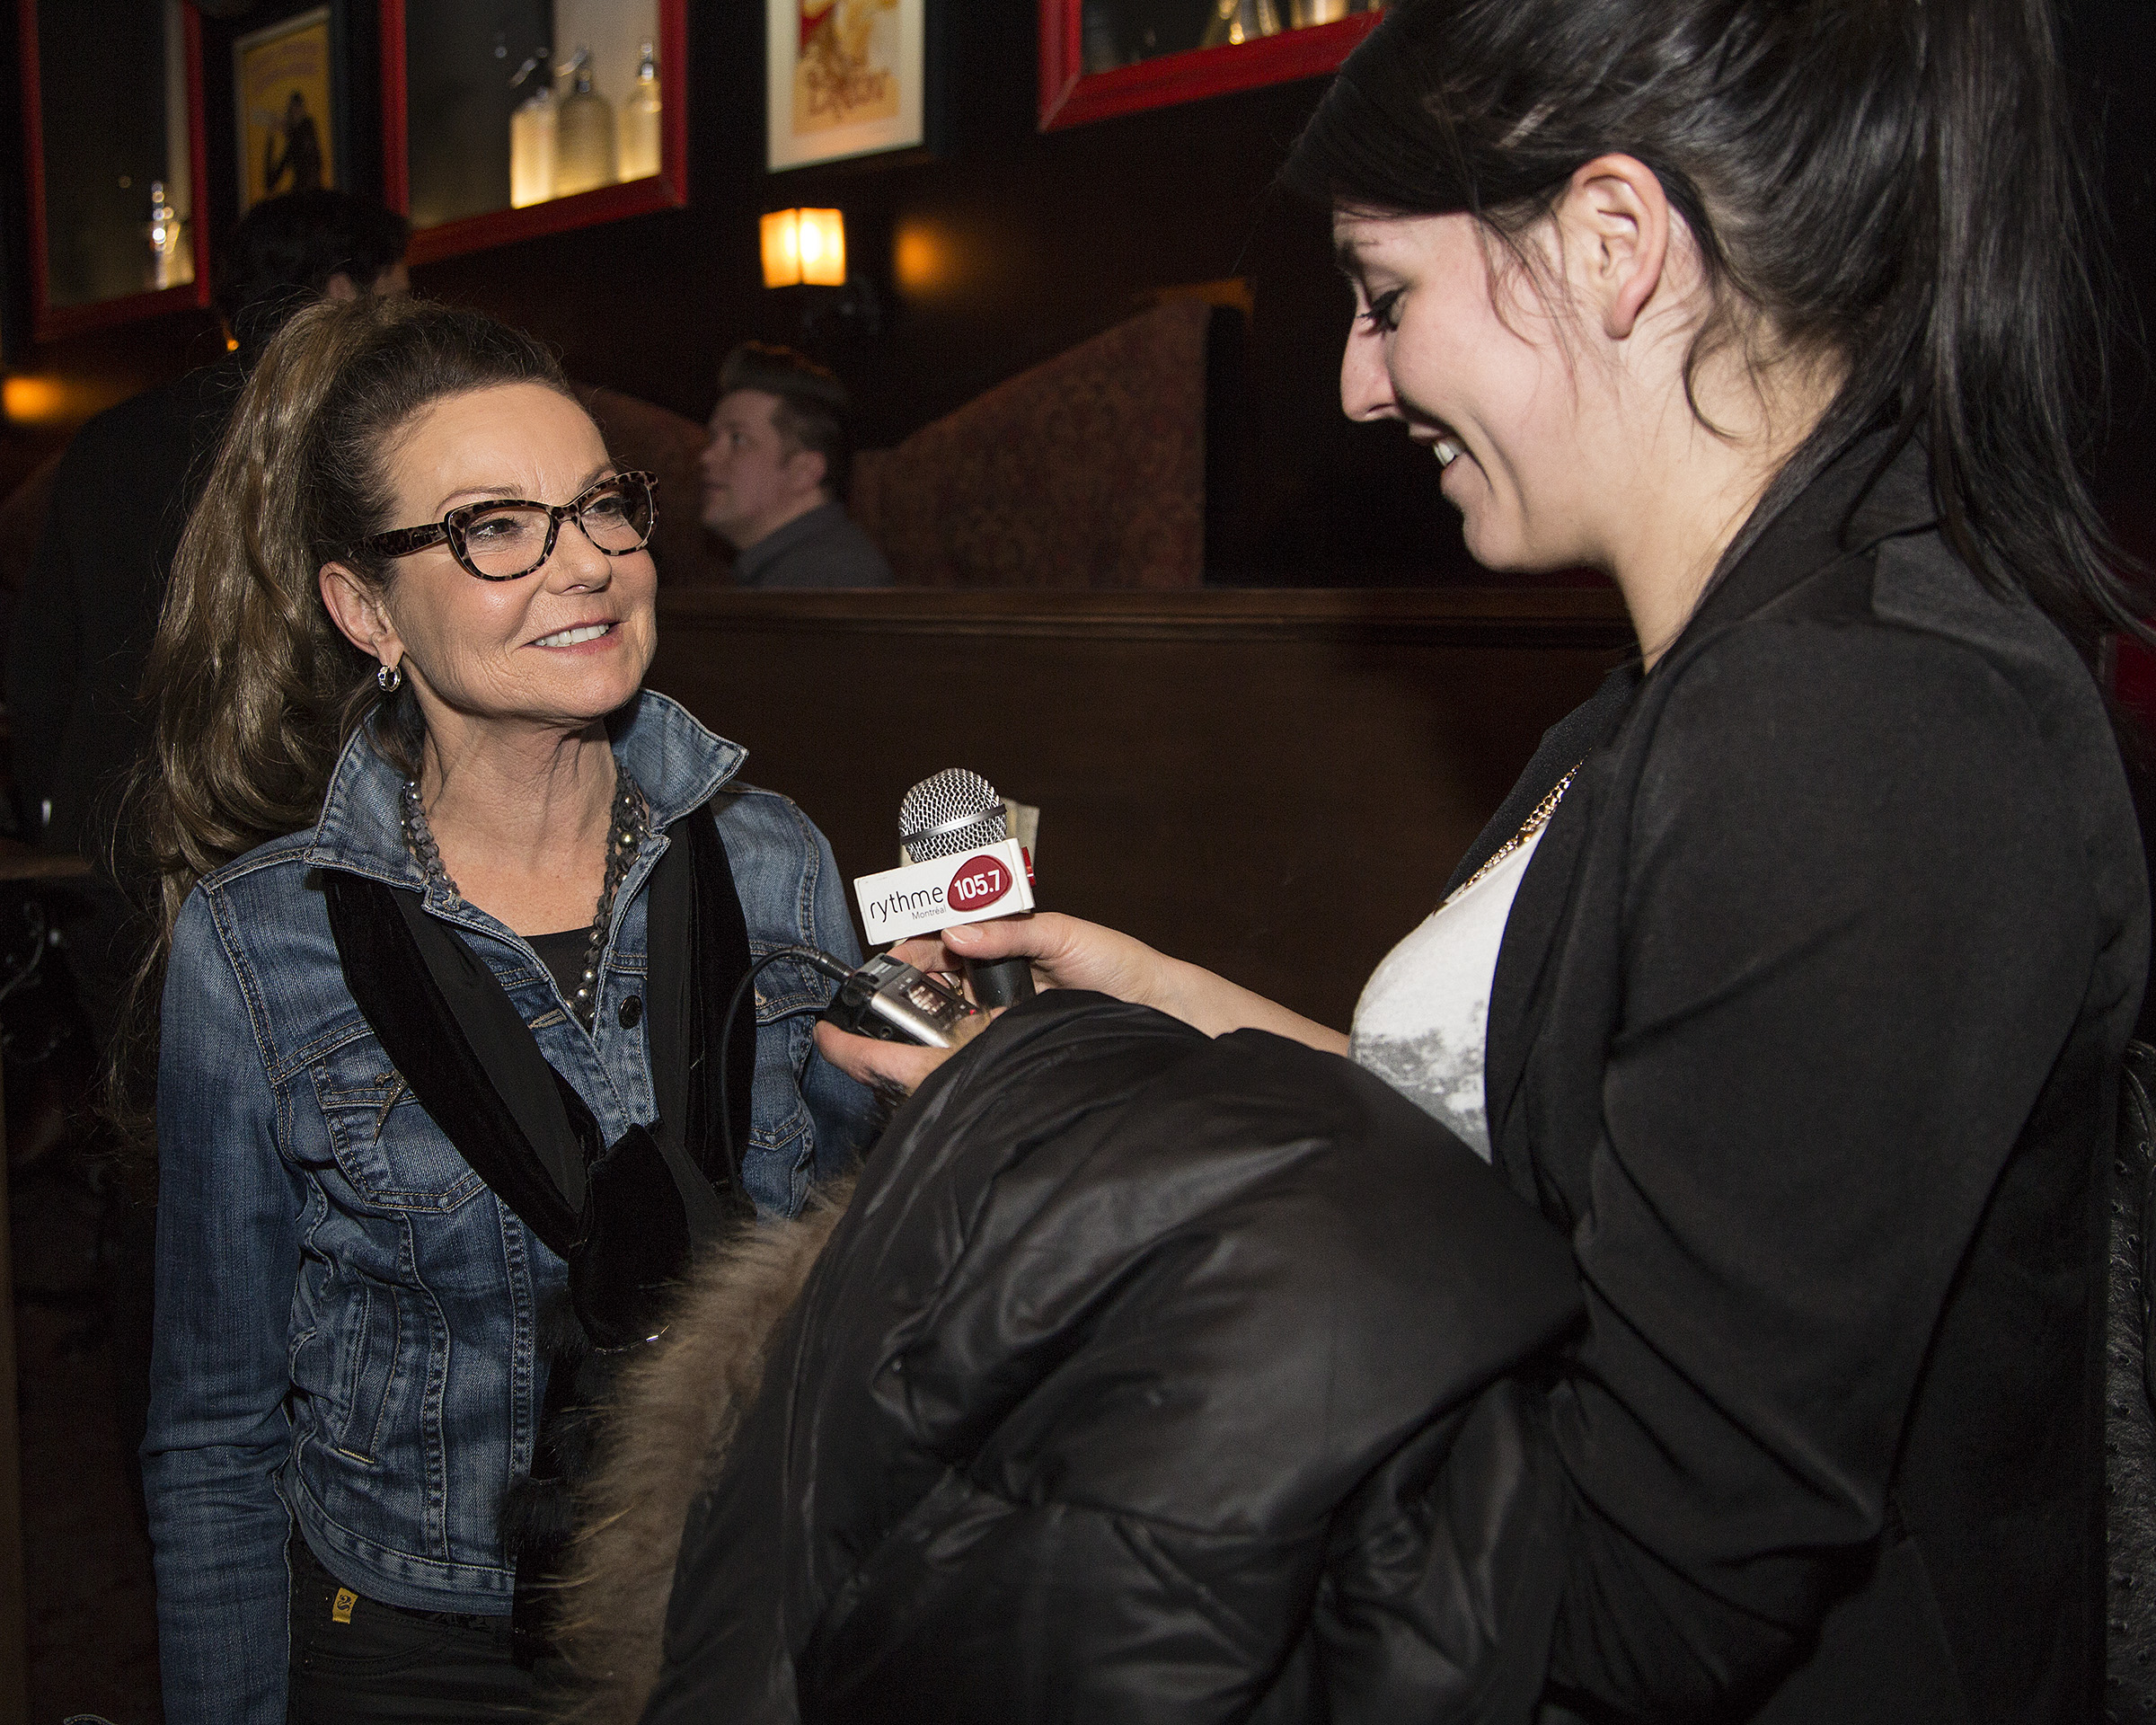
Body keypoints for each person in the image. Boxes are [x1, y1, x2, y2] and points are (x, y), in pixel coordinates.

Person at [782, 1, 2146, 1720]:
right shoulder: (1696, 683)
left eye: (1386, 295)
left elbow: (1645, 1593)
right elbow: (1548, 1163)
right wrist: (1143, 1018)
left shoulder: (1855, 726)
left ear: (1611, 243)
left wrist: (1106, 1285)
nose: (1360, 383)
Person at [136, 295, 873, 1725]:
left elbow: (859, 1276)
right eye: (494, 528)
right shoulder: (260, 943)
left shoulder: (776, 864)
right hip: (413, 1643)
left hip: (737, 1602)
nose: (586, 563)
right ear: (367, 611)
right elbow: (214, 1432)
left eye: (600, 507)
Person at [6, 186, 410, 1047]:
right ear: (346, 290)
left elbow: (39, 671)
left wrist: (58, 825)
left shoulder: (108, 441)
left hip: (106, 854)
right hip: (297, 854)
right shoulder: (354, 437)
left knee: (147, 1108)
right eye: (400, 289)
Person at [701, 341, 894, 588]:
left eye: (738, 439)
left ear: (804, 471)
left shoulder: (833, 580)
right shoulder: (789, 571)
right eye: (713, 439)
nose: (707, 457)